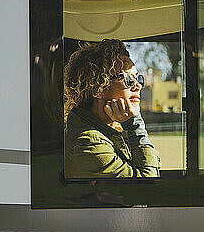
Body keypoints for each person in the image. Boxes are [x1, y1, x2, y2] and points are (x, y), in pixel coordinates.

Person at [63, 39, 161, 178]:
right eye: (127, 79)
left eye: (138, 78)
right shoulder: (89, 144)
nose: (138, 86)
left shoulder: (112, 128)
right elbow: (148, 182)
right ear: (97, 88)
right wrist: (135, 125)